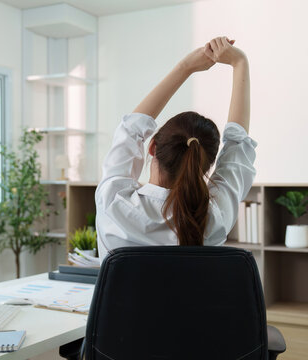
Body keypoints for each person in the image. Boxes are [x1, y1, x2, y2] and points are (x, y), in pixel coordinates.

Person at [95, 36, 257, 259]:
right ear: (205, 164)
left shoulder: (113, 201)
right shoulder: (213, 218)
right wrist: (240, 63)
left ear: (152, 147)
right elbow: (238, 145)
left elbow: (130, 130)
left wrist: (185, 67)